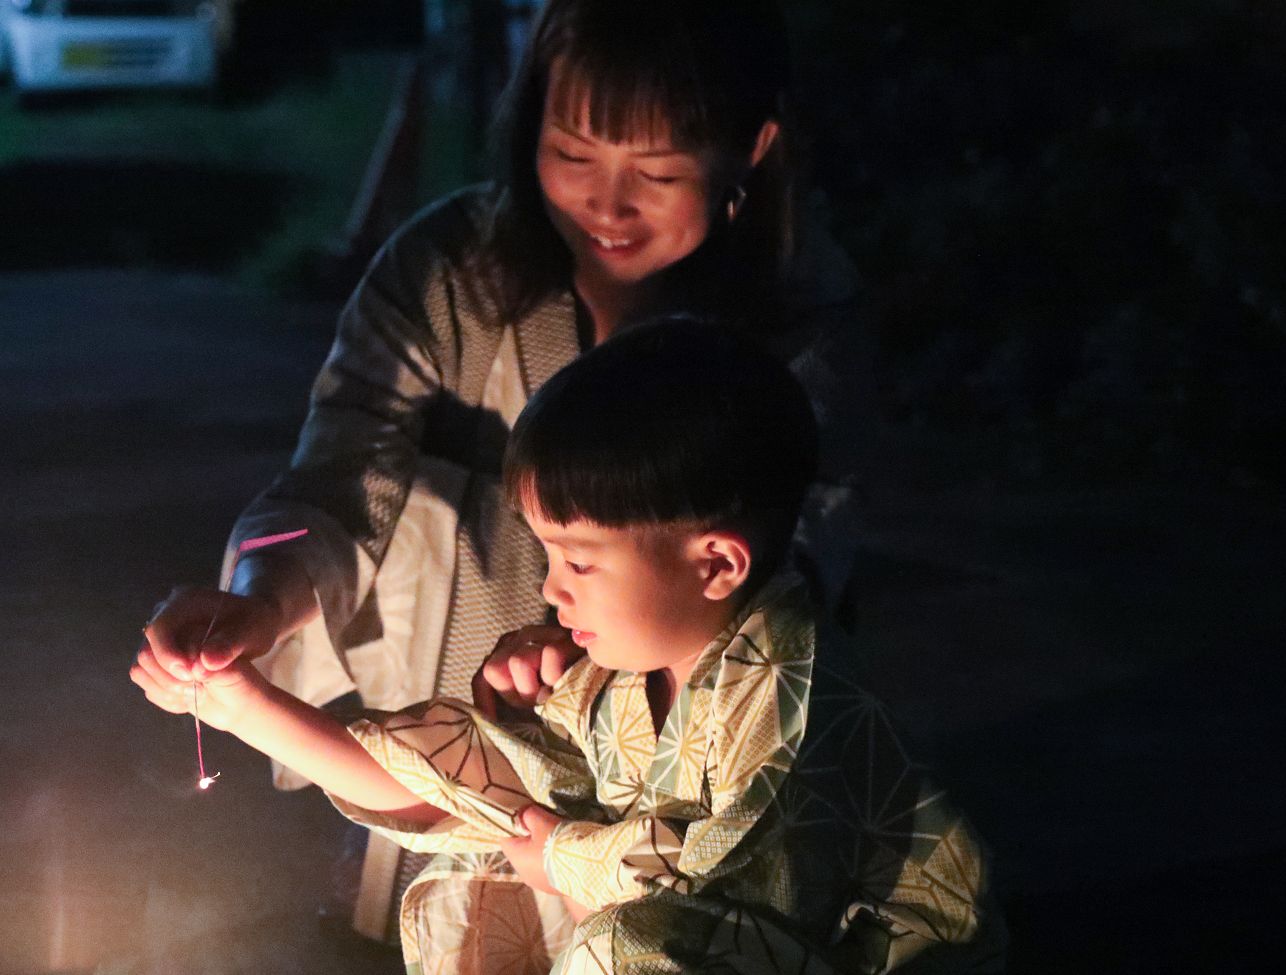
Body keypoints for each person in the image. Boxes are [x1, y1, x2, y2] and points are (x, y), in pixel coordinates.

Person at [141, 0, 868, 961]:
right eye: (572, 154)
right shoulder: (451, 275)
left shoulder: (794, 327)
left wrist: (613, 674)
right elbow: (342, 471)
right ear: (530, 122)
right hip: (442, 758)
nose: (607, 204)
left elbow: (803, 562)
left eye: (656, 172)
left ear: (753, 148)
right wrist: (258, 606)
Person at [133, 321, 1003, 974]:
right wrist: (238, 700)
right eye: (548, 553)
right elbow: (457, 778)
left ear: (718, 562)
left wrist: (558, 851)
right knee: (487, 857)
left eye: (579, 559)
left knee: (634, 945)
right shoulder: (613, 681)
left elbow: (714, 874)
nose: (551, 589)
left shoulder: (795, 688)